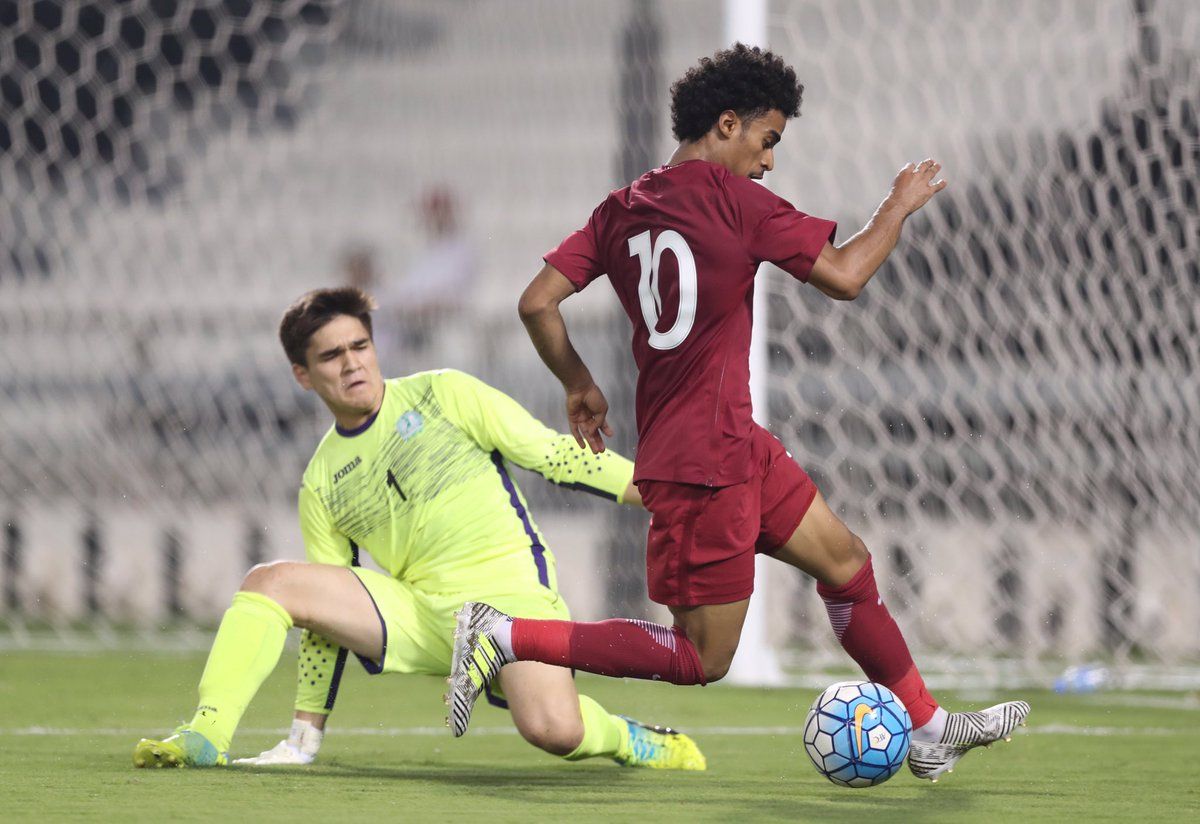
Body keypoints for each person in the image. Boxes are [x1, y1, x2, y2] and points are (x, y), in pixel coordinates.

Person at [448, 44, 1028, 782]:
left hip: (728, 445)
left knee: (845, 563)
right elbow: (845, 277)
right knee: (702, 659)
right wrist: (898, 206)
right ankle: (506, 634)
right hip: (705, 466)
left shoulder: (620, 207)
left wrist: (577, 383)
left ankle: (929, 727)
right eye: (768, 140)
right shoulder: (737, 203)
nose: (769, 163)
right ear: (728, 123)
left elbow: (537, 302)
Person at [132, 287, 705, 772]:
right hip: (420, 614)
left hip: (508, 600)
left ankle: (630, 738)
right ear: (303, 376)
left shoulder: (443, 393)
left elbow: (555, 455)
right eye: (331, 356)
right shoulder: (321, 482)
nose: (352, 363)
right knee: (272, 582)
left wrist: (658, 492)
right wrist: (305, 737)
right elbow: (326, 618)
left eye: (360, 345)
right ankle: (207, 735)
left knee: (554, 730)